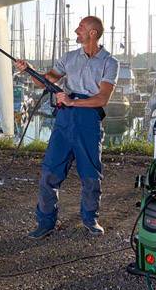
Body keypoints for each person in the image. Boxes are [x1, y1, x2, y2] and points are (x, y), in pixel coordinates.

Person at [15, 16, 119, 238]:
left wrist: (73, 101)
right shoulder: (69, 58)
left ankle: (90, 219)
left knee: (91, 174)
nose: (76, 30)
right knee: (49, 173)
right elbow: (46, 80)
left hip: (88, 120)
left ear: (92, 33)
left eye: (81, 27)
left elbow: (102, 98)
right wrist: (29, 70)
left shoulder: (110, 62)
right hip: (65, 120)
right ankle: (45, 223)